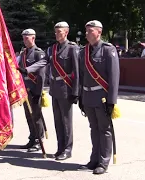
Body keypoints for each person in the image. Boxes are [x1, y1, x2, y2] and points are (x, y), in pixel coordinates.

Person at [78, 20, 119, 174]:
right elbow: (82, 76)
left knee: (104, 129)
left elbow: (114, 77)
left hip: (102, 97)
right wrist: (81, 97)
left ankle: (103, 161)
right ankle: (94, 159)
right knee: (93, 129)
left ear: (99, 32)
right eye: (86, 30)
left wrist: (111, 101)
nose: (87, 33)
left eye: (90, 31)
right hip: (88, 95)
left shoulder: (108, 50)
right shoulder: (84, 51)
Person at [47, 22, 79, 160]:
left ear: (66, 32)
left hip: (66, 89)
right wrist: (26, 70)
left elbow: (77, 72)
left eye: (59, 31)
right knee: (57, 120)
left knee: (66, 121)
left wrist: (75, 92)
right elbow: (44, 63)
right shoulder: (53, 48)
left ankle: (67, 149)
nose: (56, 34)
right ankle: (60, 147)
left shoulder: (72, 48)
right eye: (55, 32)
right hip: (55, 89)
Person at [17, 28, 48, 152]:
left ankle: (38, 140)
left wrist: (38, 93)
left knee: (36, 116)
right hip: (25, 90)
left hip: (34, 90)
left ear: (33, 38)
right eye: (23, 38)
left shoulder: (38, 53)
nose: (25, 40)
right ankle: (32, 137)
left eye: (27, 37)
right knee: (28, 115)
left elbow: (41, 75)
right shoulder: (23, 53)